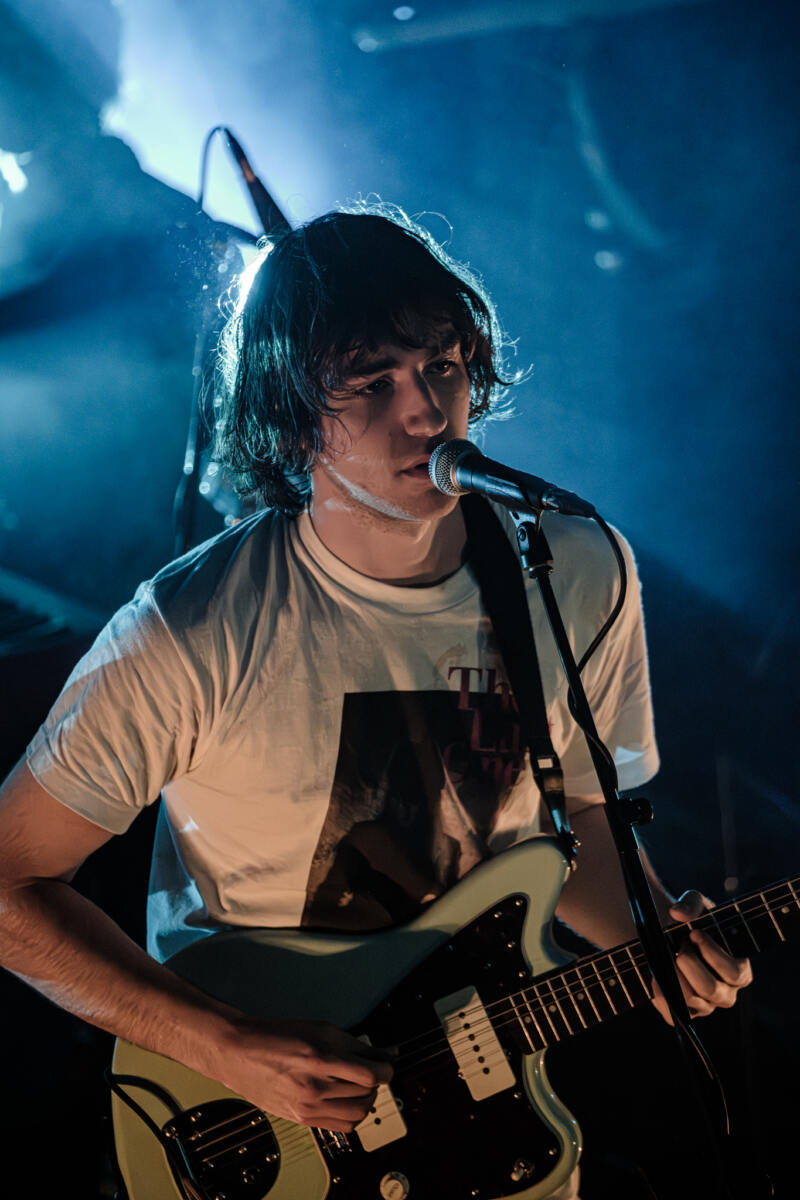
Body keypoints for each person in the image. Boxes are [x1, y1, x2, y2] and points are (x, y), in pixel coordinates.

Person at [0, 207, 752, 1197]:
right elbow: (9, 887)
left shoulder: (571, 568)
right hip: (261, 1125)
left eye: (443, 366)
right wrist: (222, 1044)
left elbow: (575, 812)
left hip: (486, 1105)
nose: (428, 411)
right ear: (289, 414)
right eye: (371, 383)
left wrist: (646, 939)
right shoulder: (190, 627)